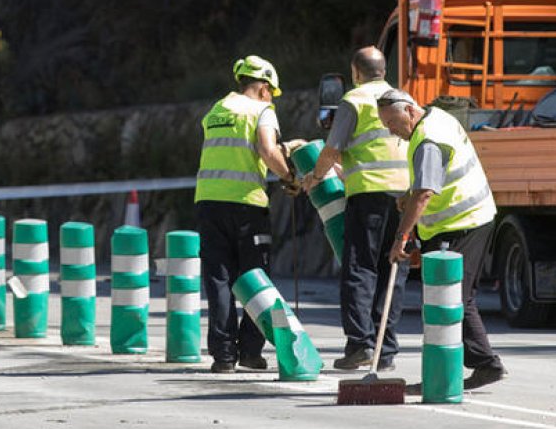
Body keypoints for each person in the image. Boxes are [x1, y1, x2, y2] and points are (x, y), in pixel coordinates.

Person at [376, 88, 506, 391]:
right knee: (456, 299)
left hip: (463, 223)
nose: (391, 131)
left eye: (392, 123)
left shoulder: (427, 140)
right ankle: (483, 364)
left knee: (448, 300)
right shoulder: (438, 117)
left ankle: (460, 372)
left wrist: (401, 238)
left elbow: (424, 194)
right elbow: (430, 181)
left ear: (409, 110)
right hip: (465, 219)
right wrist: (410, 196)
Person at [302, 47, 409, 370]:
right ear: (383, 70)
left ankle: (360, 344)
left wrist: (314, 176)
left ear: (355, 72)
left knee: (360, 270)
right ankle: (385, 350)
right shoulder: (405, 98)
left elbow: (332, 149)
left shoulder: (355, 100)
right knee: (393, 270)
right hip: (405, 196)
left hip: (368, 195)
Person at [195, 56, 297, 373]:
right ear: (264, 87)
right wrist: (290, 178)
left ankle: (224, 356)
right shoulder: (261, 110)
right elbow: (267, 150)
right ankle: (251, 352)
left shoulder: (215, 110)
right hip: (246, 205)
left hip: (208, 203)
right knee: (255, 279)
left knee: (218, 280)